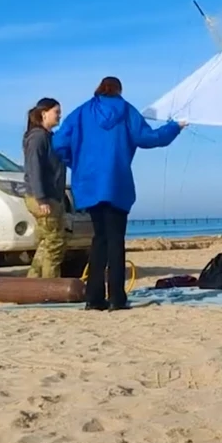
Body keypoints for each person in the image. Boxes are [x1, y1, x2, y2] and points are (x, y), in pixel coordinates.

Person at [54, 76, 186, 311]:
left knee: (99, 241)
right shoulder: (126, 110)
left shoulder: (82, 112)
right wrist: (175, 127)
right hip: (117, 183)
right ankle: (117, 298)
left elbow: (58, 143)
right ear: (119, 90)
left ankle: (94, 299)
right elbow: (149, 138)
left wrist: (77, 163)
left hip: (90, 184)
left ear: (99, 89)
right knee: (115, 241)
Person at [22, 97, 66, 278]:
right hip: (42, 198)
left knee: (46, 243)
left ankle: (33, 283)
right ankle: (50, 285)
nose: (59, 116)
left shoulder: (49, 137)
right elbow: (34, 168)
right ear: (44, 113)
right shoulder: (38, 137)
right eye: (56, 112)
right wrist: (41, 198)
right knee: (55, 243)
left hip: (50, 197)